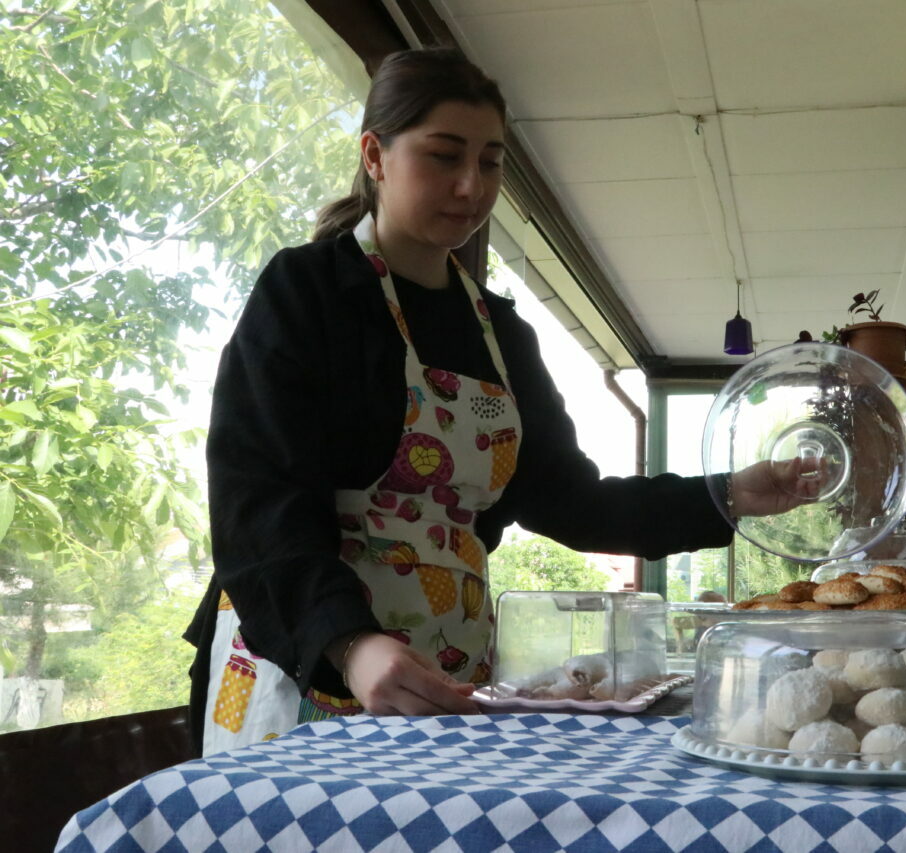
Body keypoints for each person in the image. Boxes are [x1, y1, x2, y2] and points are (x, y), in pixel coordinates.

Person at [183, 47, 815, 755]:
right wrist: (351, 643)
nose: (470, 186)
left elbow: (573, 502)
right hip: (305, 654)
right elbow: (257, 501)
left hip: (445, 669)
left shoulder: (501, 333)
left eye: (490, 162)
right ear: (375, 156)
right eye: (443, 156)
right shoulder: (306, 293)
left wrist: (728, 494)